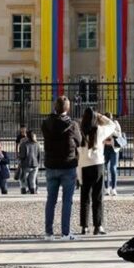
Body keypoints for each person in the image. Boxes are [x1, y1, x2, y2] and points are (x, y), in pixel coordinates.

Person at [42, 96, 82, 241]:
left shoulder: (46, 123)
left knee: (50, 200)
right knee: (67, 201)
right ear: (68, 108)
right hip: (67, 165)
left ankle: (48, 232)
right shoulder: (72, 124)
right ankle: (65, 232)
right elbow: (80, 141)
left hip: (51, 164)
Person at [78, 108, 116, 236]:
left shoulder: (80, 131)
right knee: (98, 197)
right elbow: (112, 125)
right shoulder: (99, 130)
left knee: (85, 197)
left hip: (83, 165)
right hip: (97, 164)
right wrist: (101, 116)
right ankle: (98, 225)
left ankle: (84, 226)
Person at [103, 113, 123, 196]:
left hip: (114, 149)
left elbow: (119, 135)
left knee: (113, 168)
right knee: (104, 169)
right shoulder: (102, 125)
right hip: (104, 148)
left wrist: (111, 129)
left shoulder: (115, 124)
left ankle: (114, 188)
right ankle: (106, 188)